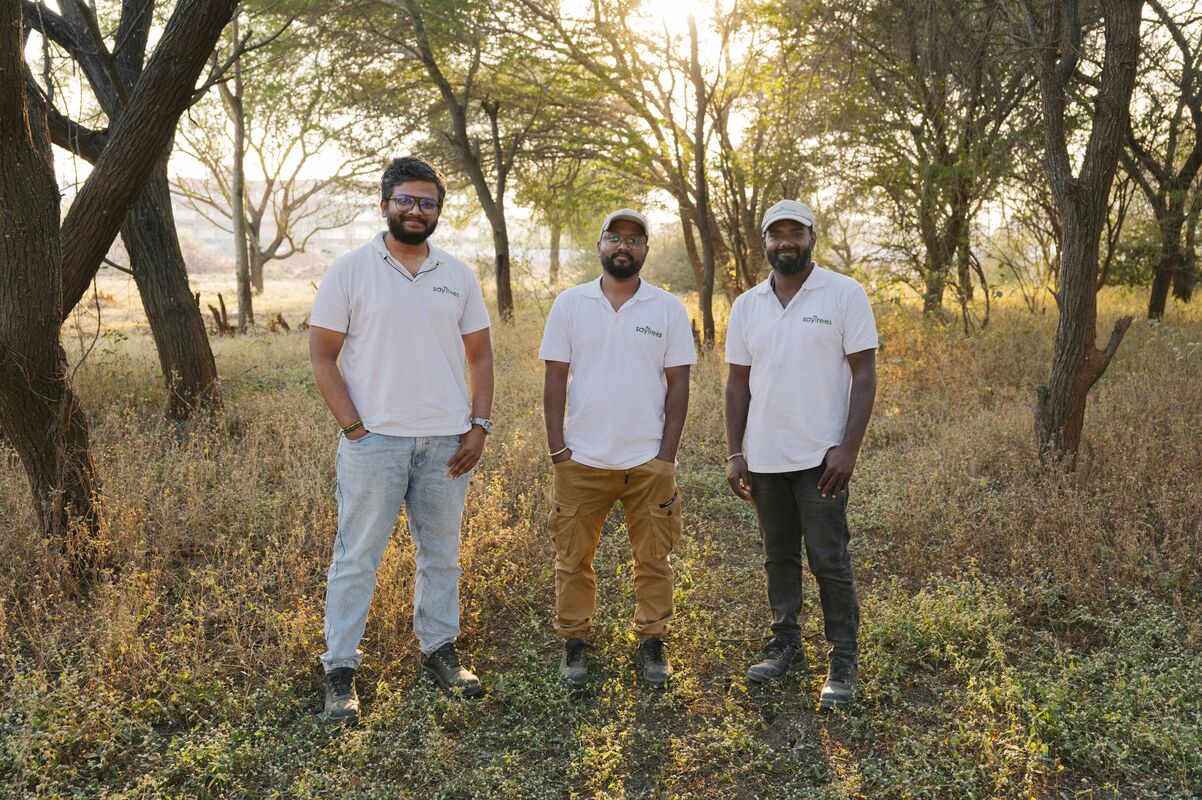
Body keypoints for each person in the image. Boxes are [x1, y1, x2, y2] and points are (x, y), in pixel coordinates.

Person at [309, 156, 495, 723]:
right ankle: (340, 670)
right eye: (407, 200)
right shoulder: (350, 271)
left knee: (441, 556)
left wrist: (478, 425)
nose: (417, 211)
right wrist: (354, 429)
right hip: (376, 445)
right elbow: (321, 354)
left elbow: (481, 355)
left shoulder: (457, 275)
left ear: (438, 211)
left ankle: (440, 651)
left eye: (428, 203)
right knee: (356, 557)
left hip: (445, 441)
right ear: (385, 203)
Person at [724, 199, 877, 710]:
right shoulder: (747, 305)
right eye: (776, 234)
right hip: (766, 457)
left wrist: (848, 449)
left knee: (829, 558)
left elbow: (864, 373)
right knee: (778, 556)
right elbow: (737, 383)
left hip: (822, 458)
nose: (785, 241)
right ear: (763, 242)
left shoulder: (843, 293)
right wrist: (734, 452)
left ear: (813, 237)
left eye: (796, 232)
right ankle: (786, 641)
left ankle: (843, 659)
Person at [539, 209, 696, 689]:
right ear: (600, 245)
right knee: (572, 560)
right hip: (581, 461)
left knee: (653, 559)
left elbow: (679, 385)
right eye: (614, 237)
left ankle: (652, 642)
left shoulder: (666, 309)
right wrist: (558, 451)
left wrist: (665, 456)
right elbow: (554, 379)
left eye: (634, 239)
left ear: (646, 249)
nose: (623, 246)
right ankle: (575, 643)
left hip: (647, 462)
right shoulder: (570, 304)